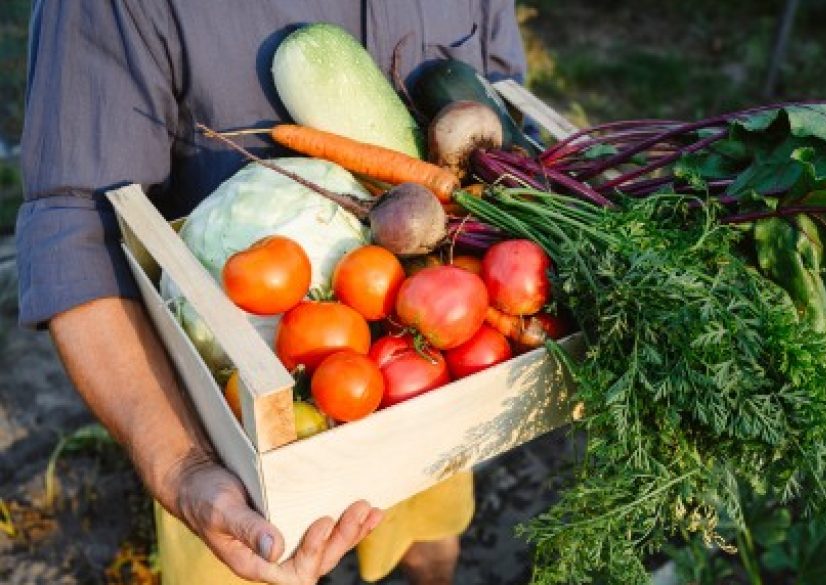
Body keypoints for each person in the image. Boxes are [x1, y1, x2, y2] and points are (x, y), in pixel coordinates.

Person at [15, 1, 529, 584]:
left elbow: (501, 96)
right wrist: (182, 468)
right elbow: (77, 229)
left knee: (429, 534)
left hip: (434, 359)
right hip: (233, 427)